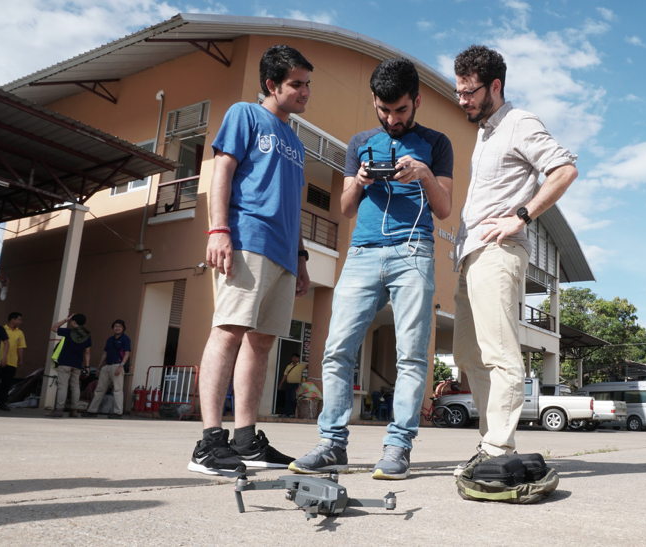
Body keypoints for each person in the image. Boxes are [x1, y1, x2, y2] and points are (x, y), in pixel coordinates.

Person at [289, 58, 453, 481]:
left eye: (400, 110)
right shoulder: (360, 141)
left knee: (413, 354)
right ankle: (332, 444)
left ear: (415, 101)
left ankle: (398, 447)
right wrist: (360, 180)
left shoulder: (437, 143)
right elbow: (345, 207)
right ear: (375, 103)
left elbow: (444, 208)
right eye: (383, 110)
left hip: (413, 251)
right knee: (337, 348)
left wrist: (423, 175)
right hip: (362, 253)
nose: (392, 118)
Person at [450, 45, 578, 474]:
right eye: (459, 91)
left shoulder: (519, 122)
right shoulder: (485, 133)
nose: (462, 99)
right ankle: (490, 445)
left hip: (498, 253)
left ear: (495, 86)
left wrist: (520, 216)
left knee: (500, 353)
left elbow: (563, 170)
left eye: (469, 91)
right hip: (471, 256)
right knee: (468, 355)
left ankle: (499, 448)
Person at [187, 45, 312, 478]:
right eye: (297, 83)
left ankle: (246, 439)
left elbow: (294, 204)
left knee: (261, 343)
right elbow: (222, 169)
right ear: (271, 84)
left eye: (307, 84)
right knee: (228, 331)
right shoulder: (245, 114)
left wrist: (301, 256)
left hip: (283, 252)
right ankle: (208, 443)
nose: (305, 91)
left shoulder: (296, 141)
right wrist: (218, 229)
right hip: (248, 239)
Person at [83, 319, 131, 418]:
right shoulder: (110, 339)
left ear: (123, 328)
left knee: (117, 389)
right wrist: (99, 367)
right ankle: (92, 410)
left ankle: (118, 412)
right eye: (115, 326)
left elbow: (127, 353)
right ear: (113, 328)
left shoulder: (126, 339)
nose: (117, 328)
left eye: (119, 326)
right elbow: (105, 354)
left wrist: (121, 366)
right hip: (107, 366)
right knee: (100, 389)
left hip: (117, 365)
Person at [50, 313, 92, 418]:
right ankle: (74, 410)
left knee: (62, 386)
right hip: (77, 364)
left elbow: (54, 328)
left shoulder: (69, 332)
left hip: (65, 363)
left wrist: (65, 319)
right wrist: (87, 366)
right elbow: (87, 353)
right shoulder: (87, 336)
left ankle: (59, 409)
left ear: (73, 322)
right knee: (75, 387)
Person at [0, 311, 25, 411]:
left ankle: (1, 403)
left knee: (6, 384)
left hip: (12, 362)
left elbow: (20, 347)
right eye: (19, 319)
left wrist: (21, 360)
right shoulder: (1, 330)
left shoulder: (20, 333)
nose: (20, 322)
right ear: (12, 320)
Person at [277, 353, 303, 418]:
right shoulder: (289, 366)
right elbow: (285, 375)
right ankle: (287, 413)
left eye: (295, 357)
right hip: (288, 385)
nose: (294, 359)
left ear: (298, 358)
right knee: (288, 399)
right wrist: (281, 383)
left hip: (295, 385)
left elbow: (309, 366)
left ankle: (294, 413)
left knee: (293, 399)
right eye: (293, 357)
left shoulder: (301, 366)